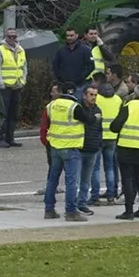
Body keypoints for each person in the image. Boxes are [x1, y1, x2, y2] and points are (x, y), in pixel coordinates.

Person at [44, 82, 97, 222]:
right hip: (70, 148)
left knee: (52, 180)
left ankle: (49, 209)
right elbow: (89, 120)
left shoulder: (51, 105)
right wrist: (96, 117)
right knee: (71, 181)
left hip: (55, 147)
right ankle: (71, 211)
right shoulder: (74, 107)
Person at [111, 85, 139, 220]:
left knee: (127, 180)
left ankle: (129, 210)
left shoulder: (129, 106)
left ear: (135, 94)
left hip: (125, 146)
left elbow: (115, 126)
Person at [0, 27, 27, 148]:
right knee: (3, 113)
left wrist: (23, 81)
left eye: (14, 36)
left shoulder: (21, 50)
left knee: (13, 114)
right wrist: (0, 83)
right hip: (5, 87)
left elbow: (24, 67)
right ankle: (0, 138)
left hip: (17, 86)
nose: (12, 38)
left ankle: (10, 138)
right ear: (5, 37)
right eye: (9, 36)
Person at [91, 83, 122, 205]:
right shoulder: (117, 99)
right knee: (110, 167)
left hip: (99, 136)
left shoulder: (96, 98)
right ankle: (111, 195)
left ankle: (95, 196)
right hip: (112, 137)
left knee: (96, 168)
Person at [77, 85, 102, 216]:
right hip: (80, 148)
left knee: (86, 180)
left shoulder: (98, 110)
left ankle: (82, 203)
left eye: (95, 95)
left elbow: (99, 129)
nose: (93, 97)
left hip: (92, 149)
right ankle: (73, 204)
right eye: (91, 95)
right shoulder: (79, 109)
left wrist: (98, 144)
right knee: (75, 179)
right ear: (84, 95)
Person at [52, 27, 93, 99]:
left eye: (71, 35)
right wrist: (60, 78)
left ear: (76, 35)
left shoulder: (85, 50)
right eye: (67, 36)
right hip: (64, 85)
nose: (69, 38)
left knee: (78, 103)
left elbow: (91, 66)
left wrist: (80, 77)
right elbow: (55, 65)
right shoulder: (61, 51)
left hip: (79, 85)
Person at [39, 83, 62, 191]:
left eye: (54, 91)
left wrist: (45, 140)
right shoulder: (72, 105)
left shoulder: (50, 107)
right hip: (66, 141)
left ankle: (51, 188)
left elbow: (44, 126)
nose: (51, 94)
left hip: (53, 142)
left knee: (53, 167)